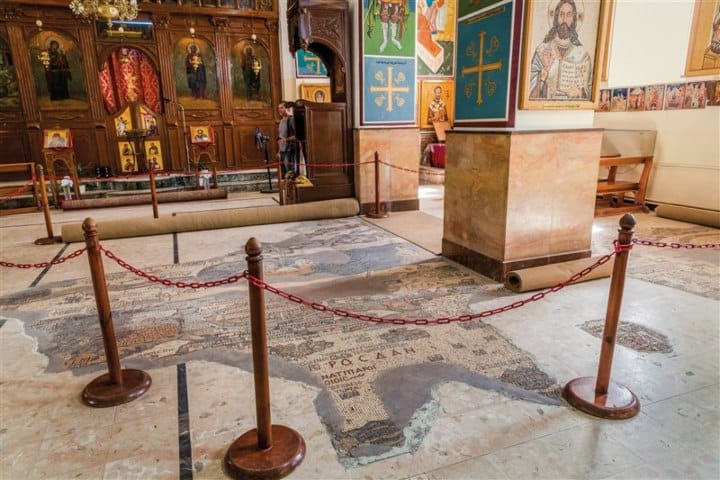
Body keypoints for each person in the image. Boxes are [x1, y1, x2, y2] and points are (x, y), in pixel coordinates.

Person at [528, 0, 592, 101]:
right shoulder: (542, 50)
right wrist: (541, 77)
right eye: (561, 14)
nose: (564, 19)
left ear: (574, 18)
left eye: (569, 15)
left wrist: (579, 92)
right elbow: (528, 90)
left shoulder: (582, 55)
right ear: (556, 17)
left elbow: (589, 91)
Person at [277, 101, 297, 176]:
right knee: (284, 173)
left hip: (289, 150)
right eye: (278, 108)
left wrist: (286, 139)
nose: (279, 110)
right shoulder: (281, 121)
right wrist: (278, 151)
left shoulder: (291, 120)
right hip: (282, 151)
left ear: (287, 108)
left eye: (282, 108)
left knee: (290, 173)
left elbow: (297, 136)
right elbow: (280, 137)